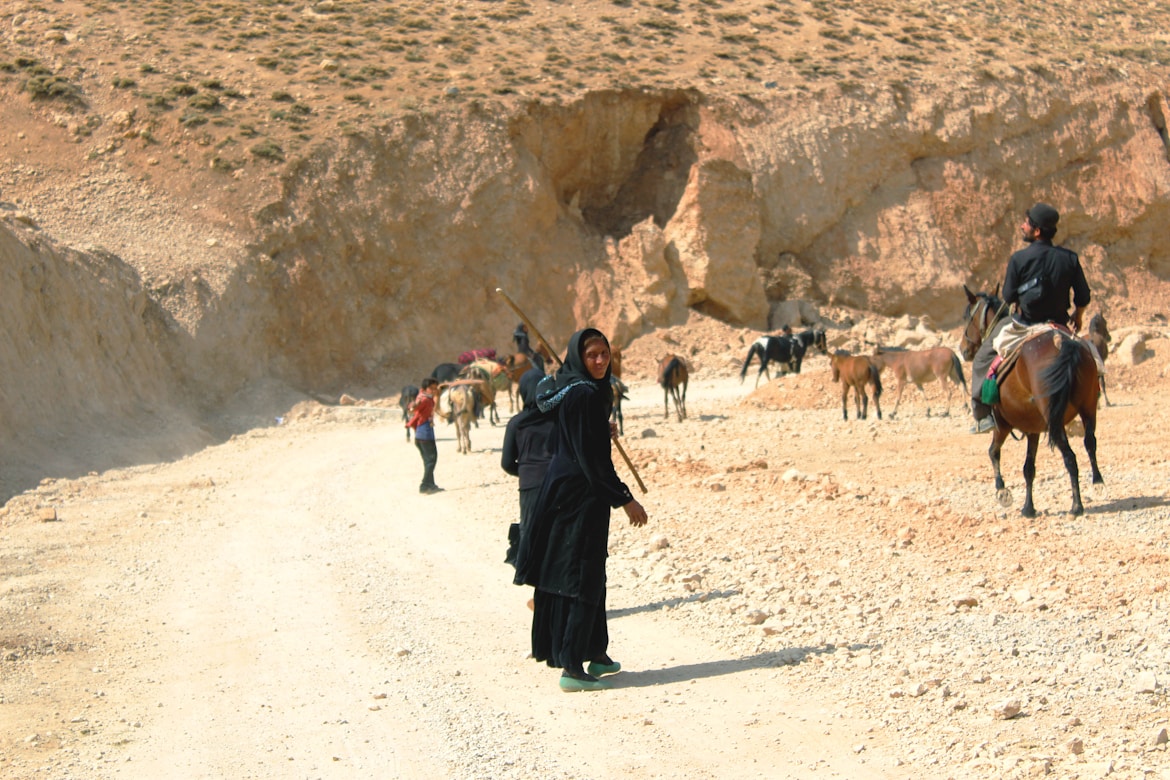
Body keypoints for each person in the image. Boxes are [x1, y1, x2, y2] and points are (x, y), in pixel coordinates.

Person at [512, 328, 648, 692]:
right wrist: (625, 498)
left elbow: (577, 436)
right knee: (579, 576)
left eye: (605, 354)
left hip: (566, 490)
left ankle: (597, 653)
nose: (601, 361)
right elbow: (592, 461)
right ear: (578, 357)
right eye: (593, 355)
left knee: (591, 573)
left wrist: (598, 429)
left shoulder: (576, 390)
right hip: (578, 496)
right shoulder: (584, 394)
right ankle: (572, 665)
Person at [970, 202, 1091, 433]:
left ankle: (982, 414)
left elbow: (1008, 296)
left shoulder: (1019, 259)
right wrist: (1079, 315)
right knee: (1091, 359)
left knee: (982, 358)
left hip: (1024, 326)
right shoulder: (1070, 258)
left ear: (1036, 231)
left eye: (1026, 223)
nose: (1022, 226)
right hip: (1059, 324)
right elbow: (1083, 297)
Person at [501, 367, 556, 567]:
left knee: (532, 535)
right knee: (558, 536)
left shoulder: (516, 423)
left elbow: (507, 463)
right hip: (561, 483)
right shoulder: (560, 418)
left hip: (531, 486)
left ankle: (538, 591)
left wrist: (526, 472)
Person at [405, 378, 443, 494]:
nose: (434, 390)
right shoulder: (425, 399)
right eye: (431, 388)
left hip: (422, 434)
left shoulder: (423, 396)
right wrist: (414, 406)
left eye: (435, 388)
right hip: (425, 434)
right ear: (426, 388)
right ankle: (424, 485)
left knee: (429, 460)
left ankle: (431, 484)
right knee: (431, 460)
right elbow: (413, 408)